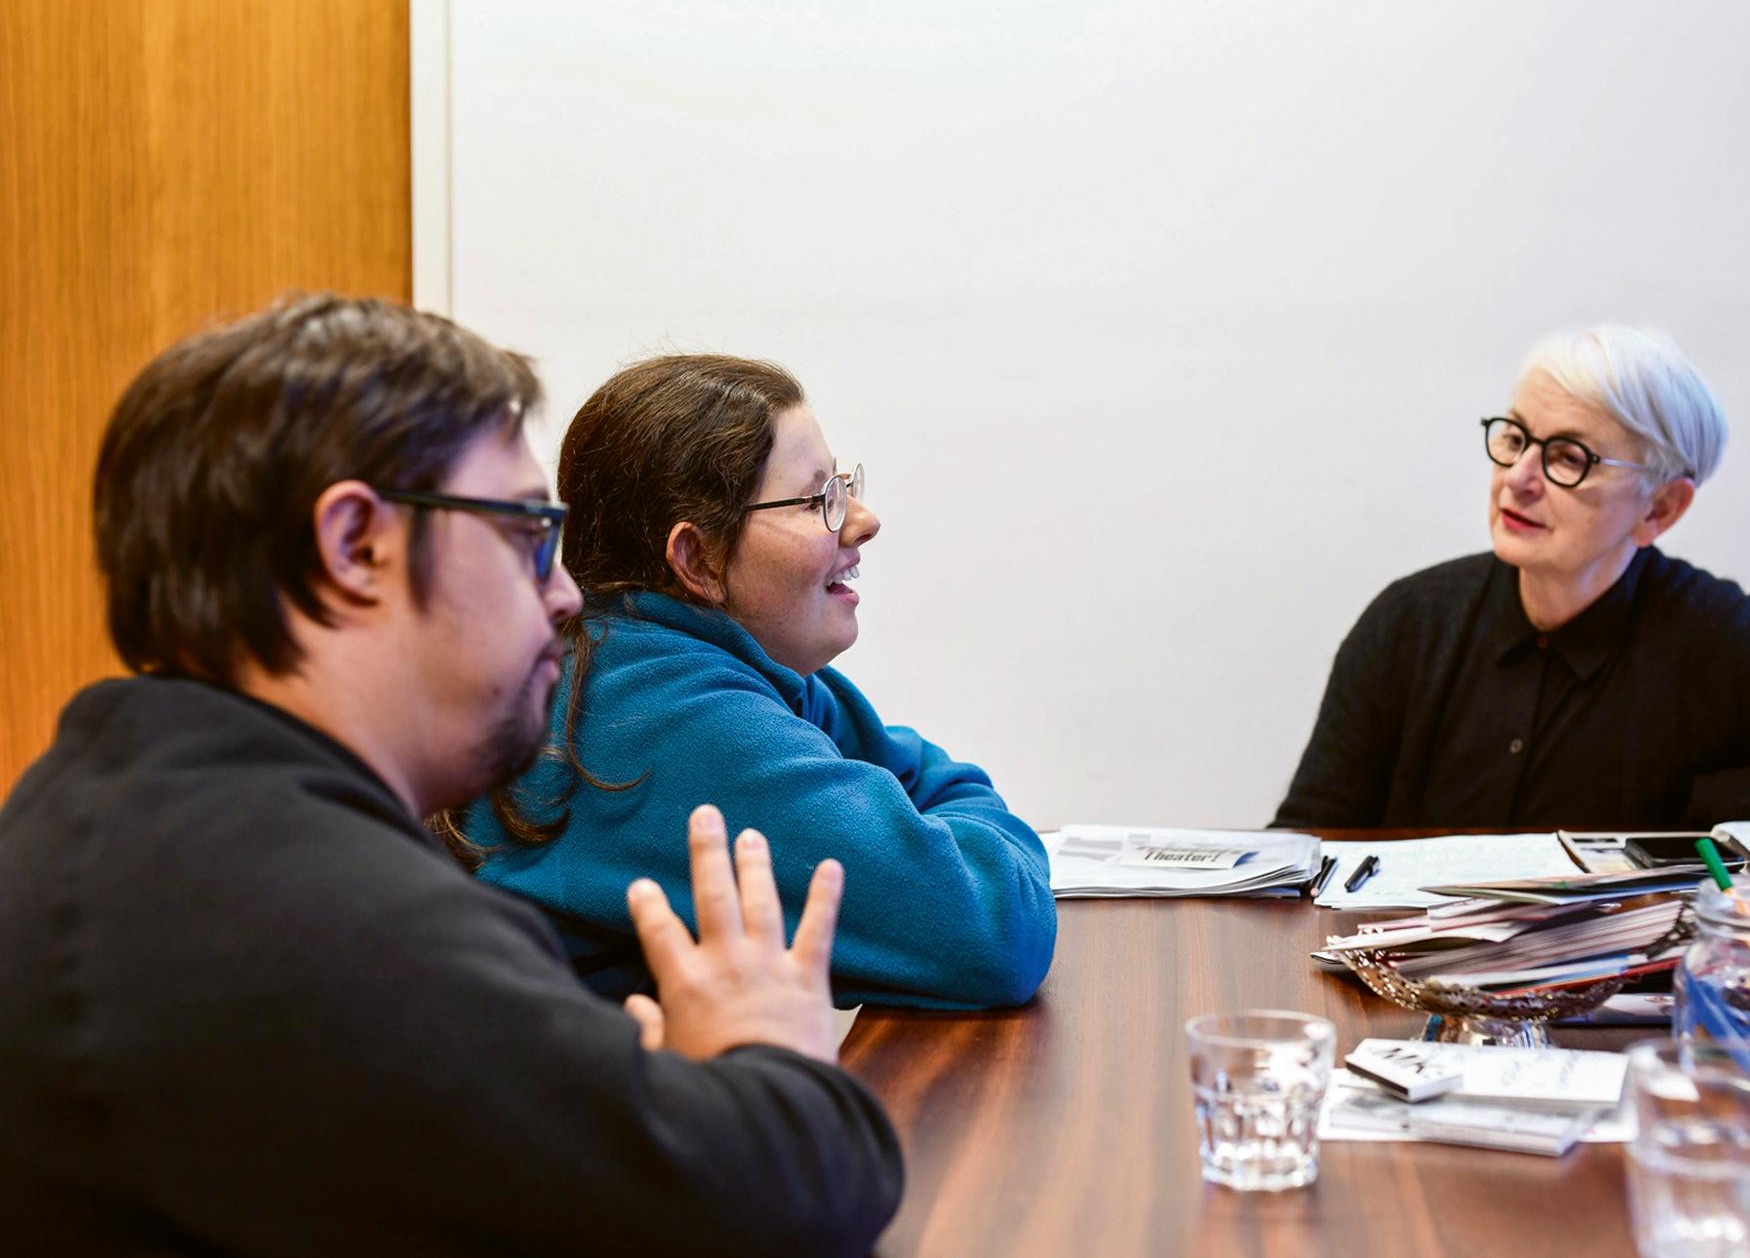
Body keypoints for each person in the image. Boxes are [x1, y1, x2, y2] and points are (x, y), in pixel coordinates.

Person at [0, 297, 902, 1254]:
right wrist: (768, 1041)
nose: (563, 594)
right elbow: (790, 1194)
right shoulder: (307, 914)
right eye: (525, 536)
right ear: (356, 546)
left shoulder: (115, 802)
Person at [454, 355, 1056, 1009]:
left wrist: (935, 820)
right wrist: (956, 827)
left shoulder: (690, 660)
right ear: (698, 558)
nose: (861, 520)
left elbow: (912, 777)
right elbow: (995, 927)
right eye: (819, 499)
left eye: (845, 486)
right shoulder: (667, 719)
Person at [1274, 325, 1750, 831]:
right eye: (1517, 438)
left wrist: (1712, 803)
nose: (1519, 479)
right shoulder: (1409, 623)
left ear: (1660, 507)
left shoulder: (1716, 638)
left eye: (1569, 456)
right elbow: (1306, 841)